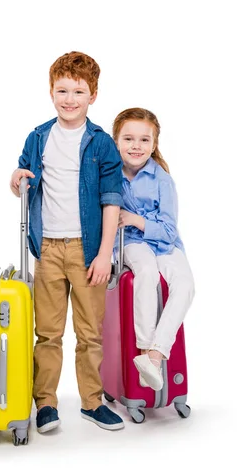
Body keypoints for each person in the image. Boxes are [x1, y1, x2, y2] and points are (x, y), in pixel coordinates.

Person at [10, 52, 125, 433]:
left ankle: (92, 403)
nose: (70, 99)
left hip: (87, 250)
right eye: (62, 90)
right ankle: (45, 404)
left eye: (79, 91)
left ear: (93, 94)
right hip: (47, 249)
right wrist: (16, 178)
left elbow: (111, 200)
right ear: (51, 92)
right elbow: (24, 181)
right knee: (48, 332)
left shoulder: (101, 143)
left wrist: (105, 254)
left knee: (90, 333)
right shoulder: (38, 136)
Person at [112, 107, 195, 391]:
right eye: (129, 139)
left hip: (165, 244)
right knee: (145, 272)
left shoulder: (162, 179)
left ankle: (155, 356)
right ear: (117, 141)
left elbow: (169, 231)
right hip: (130, 242)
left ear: (154, 144)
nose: (136, 146)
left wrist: (136, 219)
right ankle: (144, 346)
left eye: (144, 140)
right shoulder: (109, 175)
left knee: (185, 285)